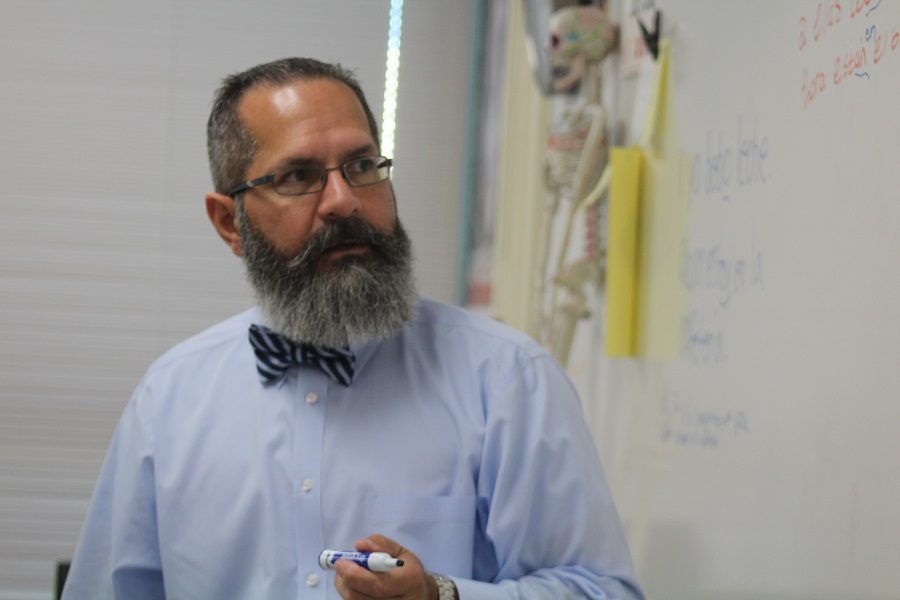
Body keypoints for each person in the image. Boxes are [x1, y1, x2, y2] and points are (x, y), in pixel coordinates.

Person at [62, 57, 644, 600]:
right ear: (228, 222)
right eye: (298, 175)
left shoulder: (508, 380)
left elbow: (603, 589)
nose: (343, 201)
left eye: (362, 166)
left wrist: (441, 595)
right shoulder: (170, 399)